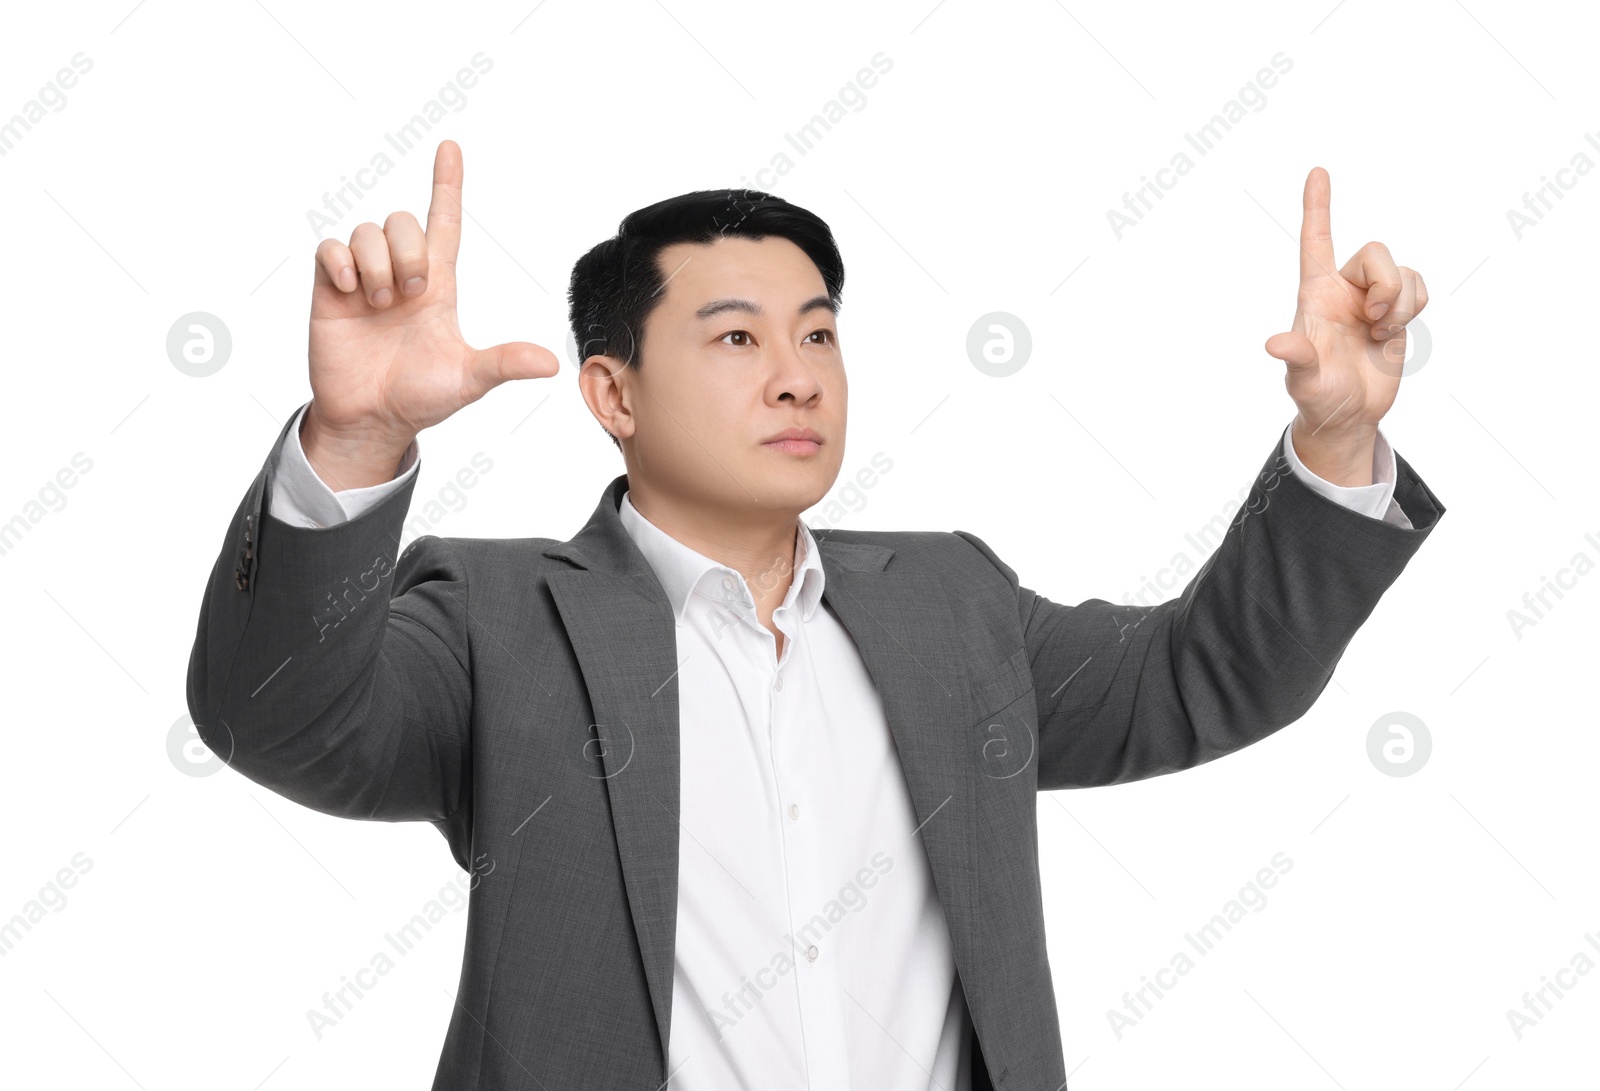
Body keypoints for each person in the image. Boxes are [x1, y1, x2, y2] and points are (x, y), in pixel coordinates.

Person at [186, 139, 1444, 1090]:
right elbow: (279, 718)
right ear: (612, 392)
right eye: (735, 337)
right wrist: (354, 442)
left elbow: (1204, 675)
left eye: (819, 333)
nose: (797, 371)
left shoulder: (949, 603)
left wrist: (1334, 440)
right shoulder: (498, 618)